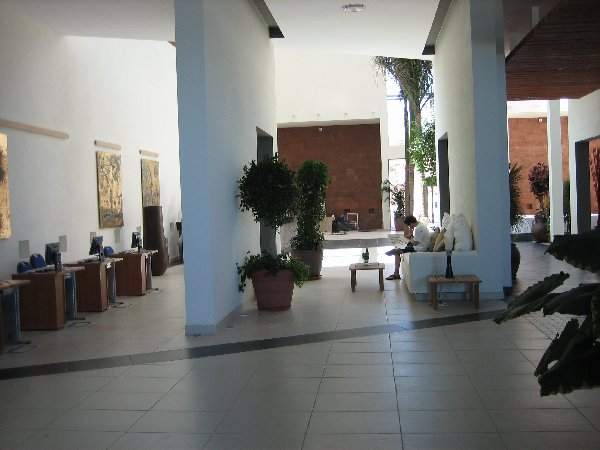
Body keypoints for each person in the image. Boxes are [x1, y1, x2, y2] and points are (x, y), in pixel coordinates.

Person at [385, 215, 430, 280]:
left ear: (411, 223)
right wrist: (409, 238)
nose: (409, 227)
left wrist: (407, 240)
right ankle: (396, 272)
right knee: (398, 247)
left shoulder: (419, 228)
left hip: (419, 248)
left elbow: (415, 243)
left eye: (409, 225)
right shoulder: (420, 226)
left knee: (397, 251)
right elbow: (416, 240)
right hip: (418, 246)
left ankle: (396, 274)